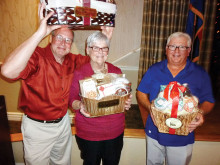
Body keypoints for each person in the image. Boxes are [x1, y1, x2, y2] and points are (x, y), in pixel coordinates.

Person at [0, 3, 115, 165]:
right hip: (37, 128)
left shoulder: (73, 60)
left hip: (63, 124)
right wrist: (39, 33)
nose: (63, 43)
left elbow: (95, 60)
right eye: (59, 37)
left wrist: (106, 39)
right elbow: (7, 72)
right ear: (51, 38)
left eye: (68, 40)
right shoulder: (37, 56)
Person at [136, 32, 215, 165]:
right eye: (172, 46)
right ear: (166, 49)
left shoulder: (199, 73)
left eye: (182, 47)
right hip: (154, 131)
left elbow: (209, 100)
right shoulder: (154, 70)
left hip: (183, 135)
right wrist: (151, 108)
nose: (176, 51)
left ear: (189, 50)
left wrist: (200, 113)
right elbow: (141, 92)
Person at [69, 31, 132, 165]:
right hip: (89, 133)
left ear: (108, 51)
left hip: (114, 131)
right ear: (87, 50)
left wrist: (126, 102)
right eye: (95, 48)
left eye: (104, 48)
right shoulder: (80, 73)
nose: (100, 52)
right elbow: (71, 100)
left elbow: (122, 97)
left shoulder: (116, 72)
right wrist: (80, 106)